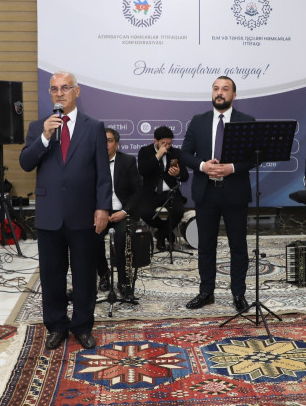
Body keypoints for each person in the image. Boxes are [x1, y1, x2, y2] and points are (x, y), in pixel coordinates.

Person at [19, 71, 111, 350]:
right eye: (54, 89)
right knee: (52, 276)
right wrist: (45, 137)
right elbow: (25, 162)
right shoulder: (39, 127)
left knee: (84, 275)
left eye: (65, 88)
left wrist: (103, 207)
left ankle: (82, 326)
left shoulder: (94, 127)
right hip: (50, 215)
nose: (59, 93)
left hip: (83, 214)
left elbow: (102, 173)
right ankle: (56, 325)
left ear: (77, 91)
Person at [179, 75, 255, 313]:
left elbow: (254, 157)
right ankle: (206, 292)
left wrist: (231, 168)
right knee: (205, 245)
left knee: (238, 246)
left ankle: (239, 294)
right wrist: (203, 166)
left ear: (234, 94)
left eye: (225, 89)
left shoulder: (246, 121)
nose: (219, 93)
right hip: (206, 192)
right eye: (216, 89)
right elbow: (184, 154)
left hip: (235, 192)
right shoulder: (198, 121)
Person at [96, 128, 142, 296]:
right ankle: (104, 275)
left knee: (121, 238)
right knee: (93, 237)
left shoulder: (127, 161)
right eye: (102, 141)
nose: (105, 144)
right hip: (100, 211)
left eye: (109, 141)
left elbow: (138, 191)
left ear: (117, 144)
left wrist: (125, 211)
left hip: (122, 212)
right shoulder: (92, 162)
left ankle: (123, 280)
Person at [137, 126, 188, 252]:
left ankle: (160, 235)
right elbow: (143, 171)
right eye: (163, 143)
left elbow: (185, 176)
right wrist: (158, 155)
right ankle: (167, 233)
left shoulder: (176, 153)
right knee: (145, 212)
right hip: (151, 192)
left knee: (178, 212)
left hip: (170, 192)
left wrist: (178, 174)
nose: (167, 146)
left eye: (169, 143)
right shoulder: (145, 151)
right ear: (156, 141)